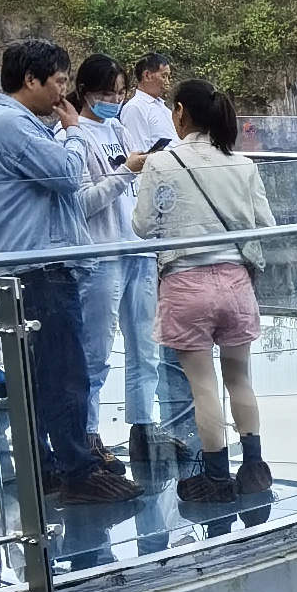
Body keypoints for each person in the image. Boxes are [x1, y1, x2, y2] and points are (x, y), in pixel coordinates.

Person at [0, 41, 134, 504]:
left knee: (46, 374)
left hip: (38, 262)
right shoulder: (12, 124)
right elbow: (67, 175)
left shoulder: (21, 123)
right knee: (65, 372)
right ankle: (78, 471)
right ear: (31, 80)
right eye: (59, 81)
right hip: (39, 265)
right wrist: (74, 132)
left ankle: (47, 465)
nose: (64, 92)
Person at [132, 74, 277, 514]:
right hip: (235, 284)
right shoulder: (242, 164)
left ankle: (215, 477)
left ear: (180, 113)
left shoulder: (161, 163)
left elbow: (142, 226)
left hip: (185, 285)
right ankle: (253, 468)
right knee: (239, 378)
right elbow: (265, 224)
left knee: (203, 386)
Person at [113, 54, 182, 478]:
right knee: (119, 338)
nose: (166, 79)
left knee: (146, 335)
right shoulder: (134, 110)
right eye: (162, 73)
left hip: (151, 224)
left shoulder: (159, 109)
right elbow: (139, 164)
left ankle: (144, 422)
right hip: (128, 226)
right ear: (145, 76)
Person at [67, 53, 138, 439]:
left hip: (135, 249)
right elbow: (81, 203)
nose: (115, 100)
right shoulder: (73, 136)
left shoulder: (119, 129)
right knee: (95, 351)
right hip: (101, 254)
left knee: (144, 346)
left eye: (120, 92)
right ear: (84, 92)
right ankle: (87, 434)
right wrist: (125, 172)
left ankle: (143, 426)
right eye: (108, 93)